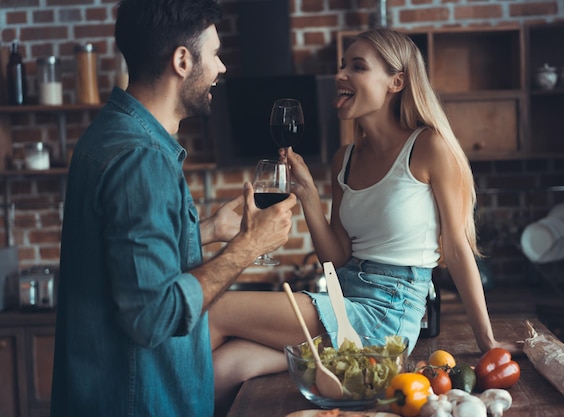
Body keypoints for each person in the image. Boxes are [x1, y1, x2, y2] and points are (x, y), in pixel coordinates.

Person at [208, 27, 523, 408]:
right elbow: (336, 258)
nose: (341, 75)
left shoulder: (428, 147)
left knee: (214, 309)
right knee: (224, 367)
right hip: (343, 300)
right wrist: (308, 194)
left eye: (357, 67)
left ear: (396, 82)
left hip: (386, 315)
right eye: (342, 66)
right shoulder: (346, 158)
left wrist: (486, 342)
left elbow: (456, 250)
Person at [50, 0, 296, 416]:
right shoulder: (141, 158)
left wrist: (209, 229)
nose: (221, 68)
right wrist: (248, 246)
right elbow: (154, 314)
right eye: (215, 54)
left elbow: (121, 259)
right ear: (182, 60)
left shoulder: (111, 134)